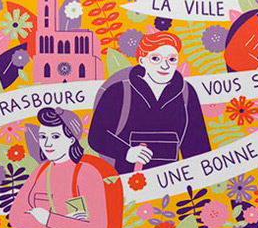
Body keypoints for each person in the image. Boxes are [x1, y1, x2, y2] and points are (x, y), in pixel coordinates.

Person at [86, 30, 211, 174]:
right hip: (127, 179)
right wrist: (127, 152)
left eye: (171, 59)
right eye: (156, 58)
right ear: (142, 60)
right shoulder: (119, 91)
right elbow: (97, 136)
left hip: (172, 180)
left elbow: (197, 147)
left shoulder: (186, 93)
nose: (165, 66)